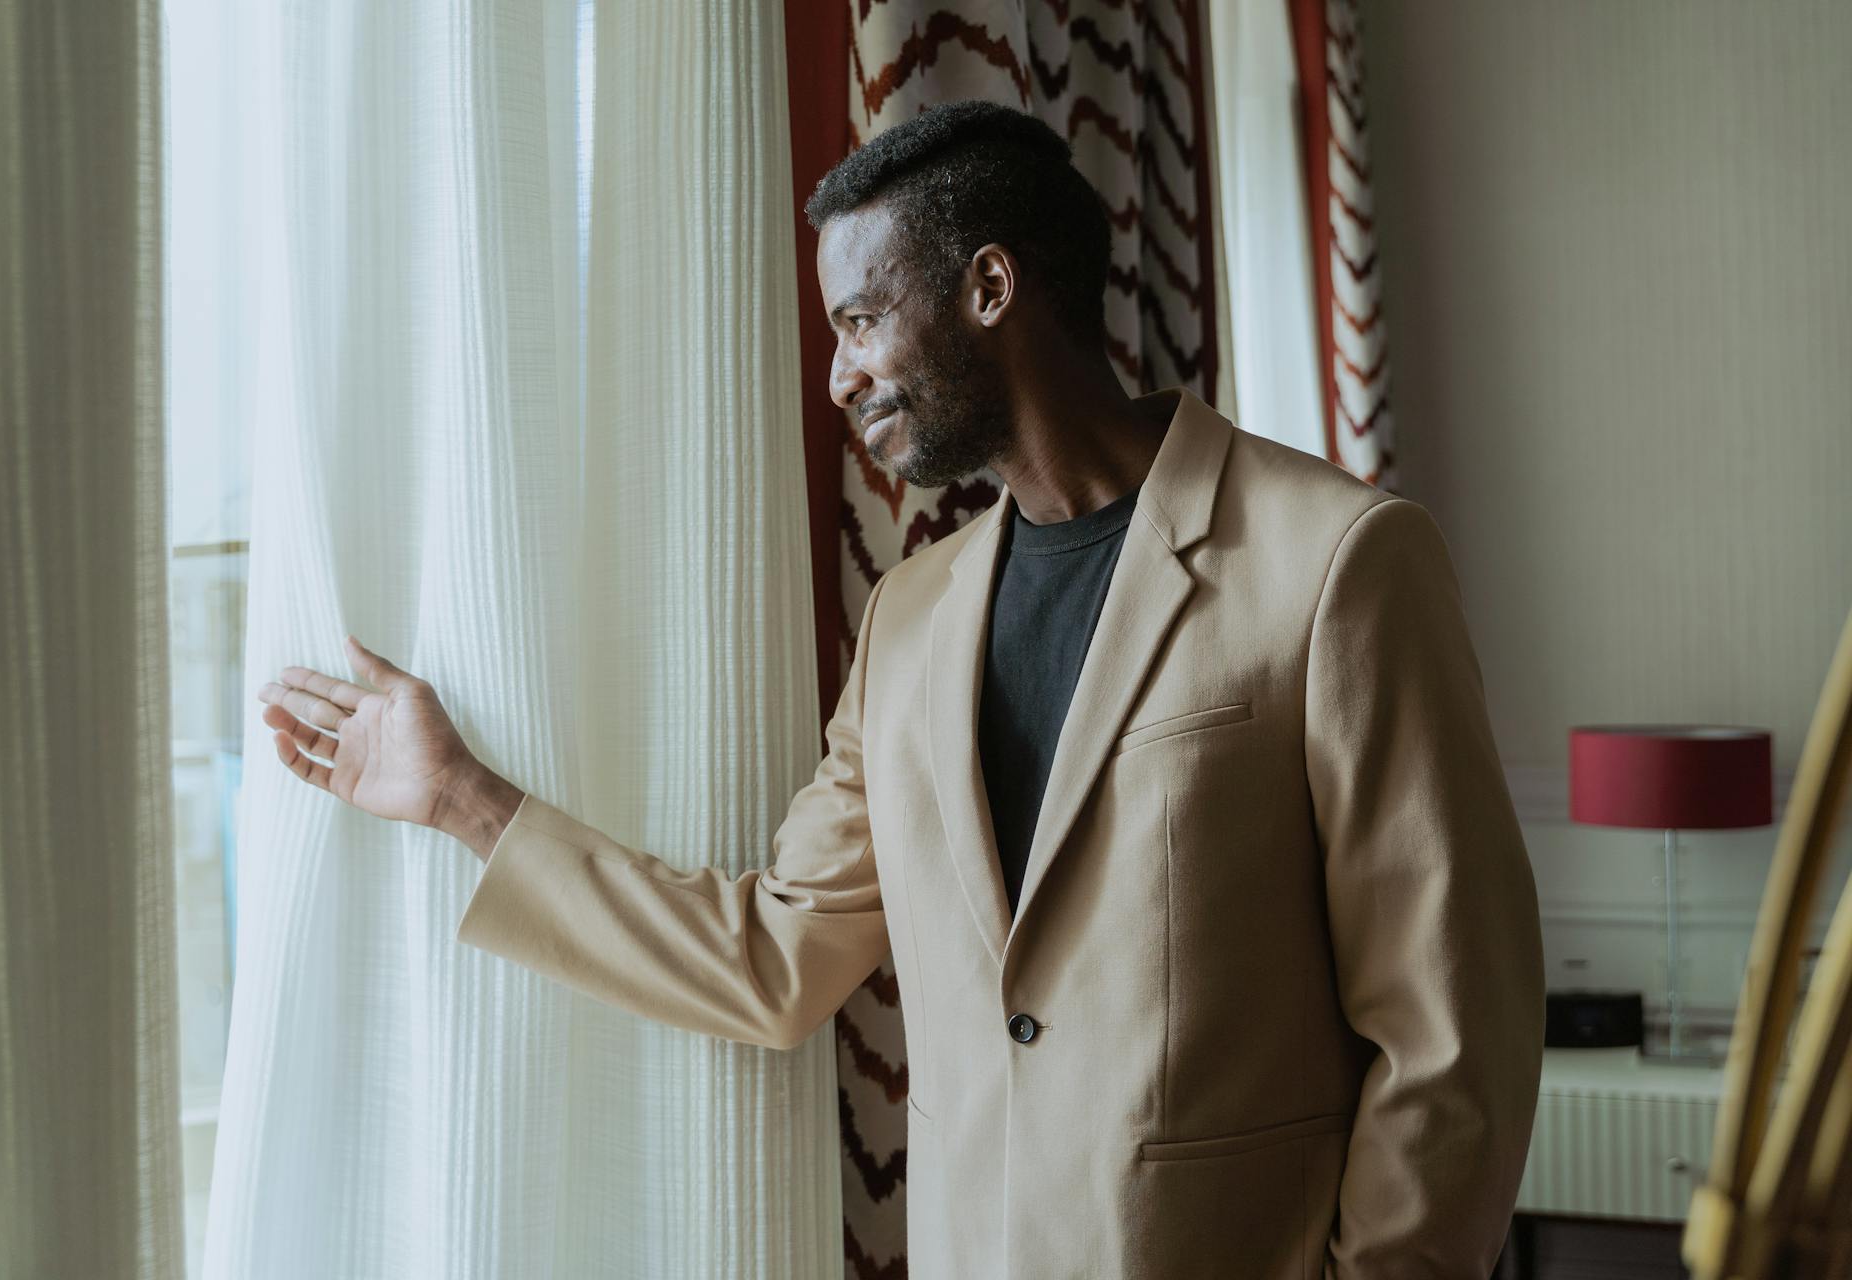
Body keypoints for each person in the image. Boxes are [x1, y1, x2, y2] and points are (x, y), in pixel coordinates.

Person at [257, 100, 1544, 1279]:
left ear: (990, 286)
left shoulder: (1336, 562)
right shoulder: (911, 619)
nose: (837, 377)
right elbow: (773, 954)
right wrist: (463, 799)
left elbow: (1449, 1033)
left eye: (862, 321)